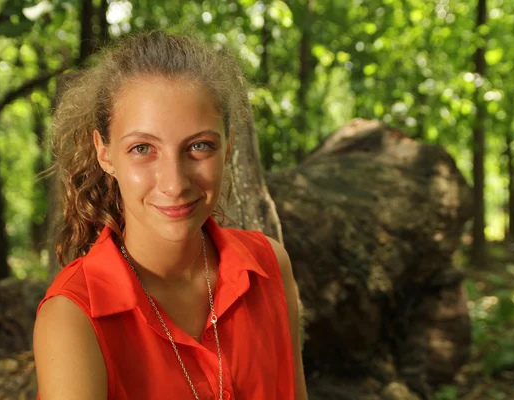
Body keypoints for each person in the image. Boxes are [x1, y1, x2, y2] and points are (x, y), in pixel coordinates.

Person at [33, 30, 308, 400]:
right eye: (143, 148)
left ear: (228, 146)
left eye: (199, 146)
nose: (175, 183)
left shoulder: (270, 267)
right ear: (105, 153)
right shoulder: (73, 317)